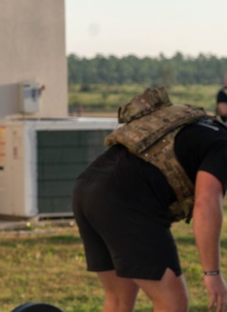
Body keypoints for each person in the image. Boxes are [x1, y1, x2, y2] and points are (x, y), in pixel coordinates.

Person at [72, 87, 227, 312]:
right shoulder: (223, 146)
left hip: (87, 188)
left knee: (118, 300)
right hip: (126, 201)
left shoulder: (200, 125)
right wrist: (212, 274)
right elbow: (206, 203)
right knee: (172, 302)